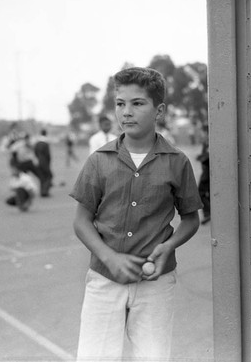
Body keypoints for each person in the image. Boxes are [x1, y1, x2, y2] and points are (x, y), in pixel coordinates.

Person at [70, 67, 203, 361]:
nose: (126, 112)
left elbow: (191, 219)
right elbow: (81, 221)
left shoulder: (177, 162)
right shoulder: (99, 161)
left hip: (155, 282)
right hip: (104, 279)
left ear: (159, 110)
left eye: (138, 103)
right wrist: (110, 258)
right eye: (120, 103)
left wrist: (169, 246)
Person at [197, 123, 211, 224]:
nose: (202, 134)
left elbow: (208, 157)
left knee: (200, 193)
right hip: (207, 172)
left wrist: (202, 158)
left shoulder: (210, 141)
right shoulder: (206, 142)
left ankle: (208, 213)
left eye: (203, 132)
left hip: (208, 173)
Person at [34, 129, 53, 197]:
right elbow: (48, 155)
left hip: (38, 161)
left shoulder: (37, 143)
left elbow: (35, 152)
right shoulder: (45, 144)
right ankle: (45, 191)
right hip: (44, 161)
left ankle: (42, 191)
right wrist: (48, 162)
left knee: (42, 176)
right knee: (49, 176)